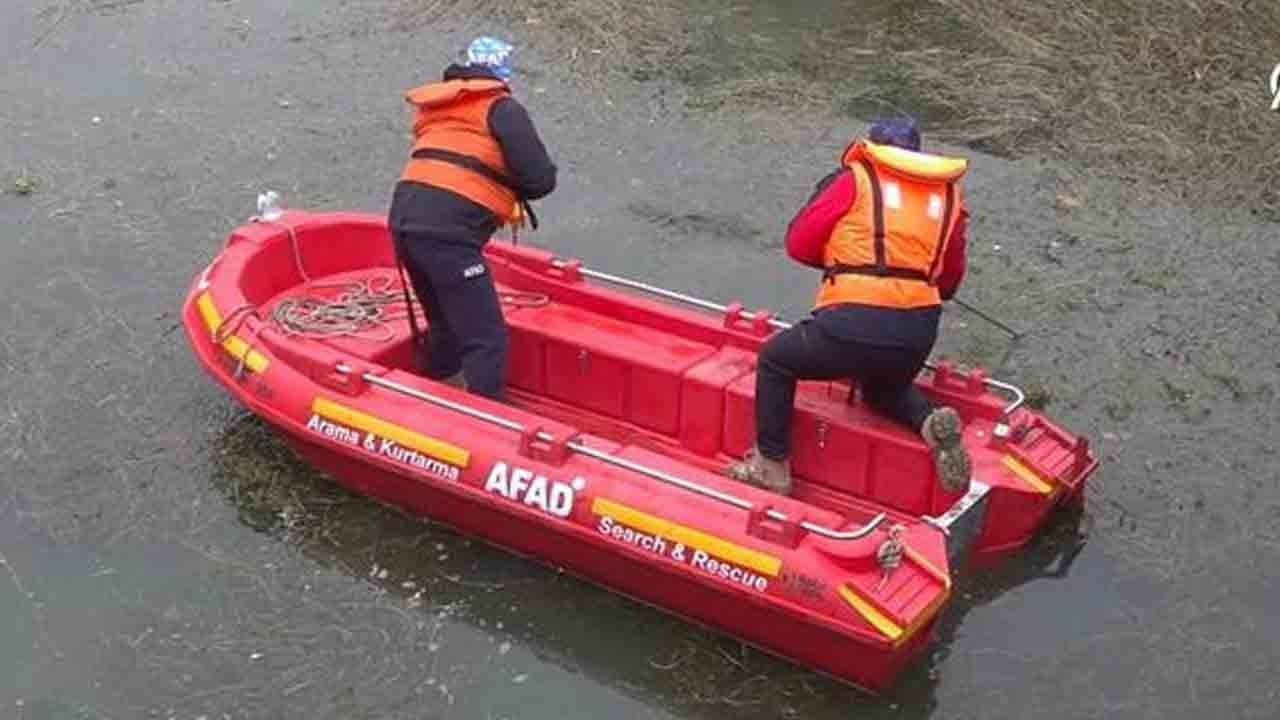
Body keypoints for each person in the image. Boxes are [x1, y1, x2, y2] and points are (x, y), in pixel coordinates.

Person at [728, 118, 972, 496]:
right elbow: (950, 281)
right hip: (917, 331)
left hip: (852, 323)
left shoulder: (854, 179)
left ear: (872, 147)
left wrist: (843, 260)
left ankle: (771, 467)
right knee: (884, 390)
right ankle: (929, 424)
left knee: (777, 360)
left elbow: (799, 243)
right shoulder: (948, 198)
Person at [388, 36, 557, 401]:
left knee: (445, 324)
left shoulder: (437, 109)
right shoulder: (502, 108)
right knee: (486, 337)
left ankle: (435, 389)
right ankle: (485, 417)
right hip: (447, 235)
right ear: (502, 73)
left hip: (403, 223)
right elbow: (541, 179)